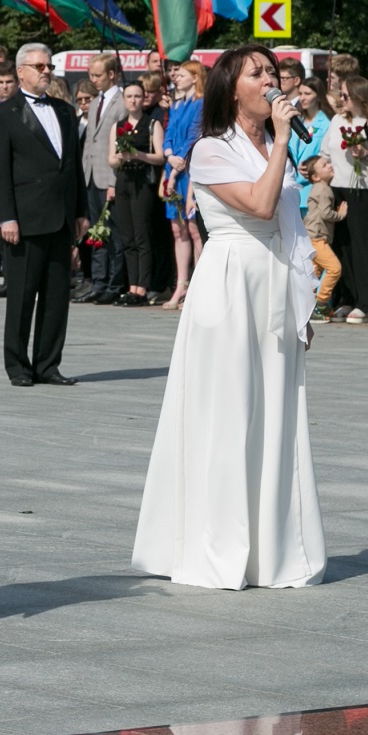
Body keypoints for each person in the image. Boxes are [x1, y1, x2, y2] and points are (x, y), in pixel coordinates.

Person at [132, 43, 324, 591]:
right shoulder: (211, 150)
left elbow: (289, 227)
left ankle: (269, 550)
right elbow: (260, 207)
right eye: (256, 73)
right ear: (231, 89)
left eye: (272, 72)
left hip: (274, 283)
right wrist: (284, 142)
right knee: (228, 413)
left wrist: (301, 303)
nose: (270, 81)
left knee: (275, 415)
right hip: (230, 284)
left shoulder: (273, 144)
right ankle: (216, 545)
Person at [0, 43, 88, 382]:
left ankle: (48, 364)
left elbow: (72, 166)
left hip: (60, 217)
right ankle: (17, 365)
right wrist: (6, 217)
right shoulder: (3, 114)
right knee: (21, 297)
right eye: (39, 66)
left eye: (48, 66)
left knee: (57, 296)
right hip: (24, 220)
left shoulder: (64, 110)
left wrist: (80, 210)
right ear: (20, 72)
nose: (46, 71)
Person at [323, 74, 368, 322]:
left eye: (345, 95)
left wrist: (365, 151)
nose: (341, 99)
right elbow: (326, 150)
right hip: (339, 186)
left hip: (364, 188)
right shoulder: (338, 119)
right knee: (343, 246)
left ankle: (367, 302)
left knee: (363, 247)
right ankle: (348, 297)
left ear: (358, 96)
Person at [77, 54, 127, 303]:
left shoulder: (122, 101)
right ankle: (98, 283)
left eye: (97, 75)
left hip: (109, 176)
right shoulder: (96, 102)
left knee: (114, 233)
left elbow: (119, 143)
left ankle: (114, 283)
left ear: (111, 74)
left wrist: (113, 182)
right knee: (96, 233)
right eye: (90, 74)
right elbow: (89, 141)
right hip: (90, 175)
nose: (92, 79)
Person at [114, 78, 165, 304]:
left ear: (143, 98)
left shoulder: (152, 124)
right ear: (124, 100)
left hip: (143, 181)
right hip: (124, 180)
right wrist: (119, 158)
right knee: (127, 236)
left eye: (137, 96)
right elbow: (110, 158)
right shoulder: (119, 125)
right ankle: (132, 285)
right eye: (129, 96)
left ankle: (142, 287)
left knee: (142, 234)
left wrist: (138, 154)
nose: (133, 100)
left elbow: (160, 156)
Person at [161, 60, 206, 310]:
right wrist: (168, 155)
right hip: (174, 168)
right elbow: (169, 133)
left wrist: (179, 168)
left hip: (189, 170)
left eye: (183, 73)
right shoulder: (177, 105)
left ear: (196, 77)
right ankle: (182, 284)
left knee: (194, 228)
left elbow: (195, 137)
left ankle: (199, 284)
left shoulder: (201, 104)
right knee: (178, 229)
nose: (176, 76)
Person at [302, 155, 344, 320]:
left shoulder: (319, 188)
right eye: (324, 165)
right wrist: (340, 214)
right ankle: (321, 303)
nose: (329, 166)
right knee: (335, 268)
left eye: (328, 162)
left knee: (314, 273)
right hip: (317, 238)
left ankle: (307, 306)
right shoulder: (324, 189)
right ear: (316, 177)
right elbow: (326, 213)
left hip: (311, 237)